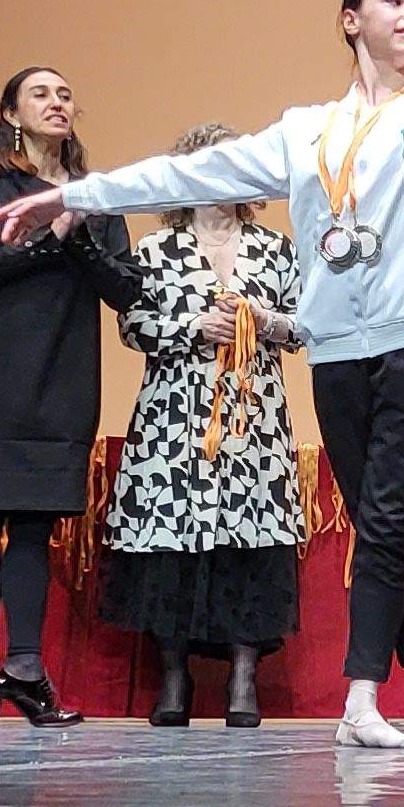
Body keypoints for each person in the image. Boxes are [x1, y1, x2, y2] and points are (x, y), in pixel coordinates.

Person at [0, 0, 404, 753]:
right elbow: (184, 176)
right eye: (396, 1)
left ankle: (366, 697)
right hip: (340, 340)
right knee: (375, 515)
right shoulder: (303, 131)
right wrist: (75, 195)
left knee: (389, 512)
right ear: (350, 20)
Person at [0, 66, 137, 727]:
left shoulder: (94, 198)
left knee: (34, 526)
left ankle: (23, 670)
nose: (57, 103)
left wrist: (75, 230)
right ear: (11, 114)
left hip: (62, 379)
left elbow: (126, 290)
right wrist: (45, 240)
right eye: (40, 94)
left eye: (64, 94)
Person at [100, 122, 307, 728]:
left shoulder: (275, 248)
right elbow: (133, 327)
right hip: (173, 419)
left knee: (252, 544)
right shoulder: (153, 253)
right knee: (170, 546)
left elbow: (307, 325)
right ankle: (174, 678)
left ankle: (245, 679)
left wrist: (261, 322)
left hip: (253, 417)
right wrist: (193, 328)